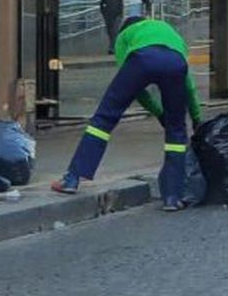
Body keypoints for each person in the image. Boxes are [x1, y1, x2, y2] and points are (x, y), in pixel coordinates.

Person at [52, 15, 202, 210]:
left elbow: (135, 87)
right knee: (176, 131)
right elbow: (188, 86)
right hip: (175, 63)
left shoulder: (125, 36)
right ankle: (172, 197)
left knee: (103, 119)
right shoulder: (170, 33)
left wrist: (157, 112)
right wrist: (197, 118)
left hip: (142, 60)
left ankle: (72, 179)